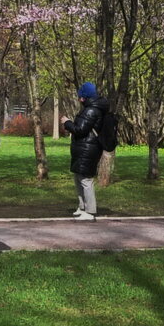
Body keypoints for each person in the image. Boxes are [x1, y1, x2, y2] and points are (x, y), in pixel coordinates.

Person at [61, 81, 108, 221]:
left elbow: (80, 130)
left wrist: (67, 122)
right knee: (78, 177)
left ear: (86, 97)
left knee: (86, 179)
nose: (79, 99)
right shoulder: (90, 108)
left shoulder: (91, 110)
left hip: (89, 148)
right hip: (84, 148)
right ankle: (82, 207)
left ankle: (90, 211)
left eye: (81, 96)